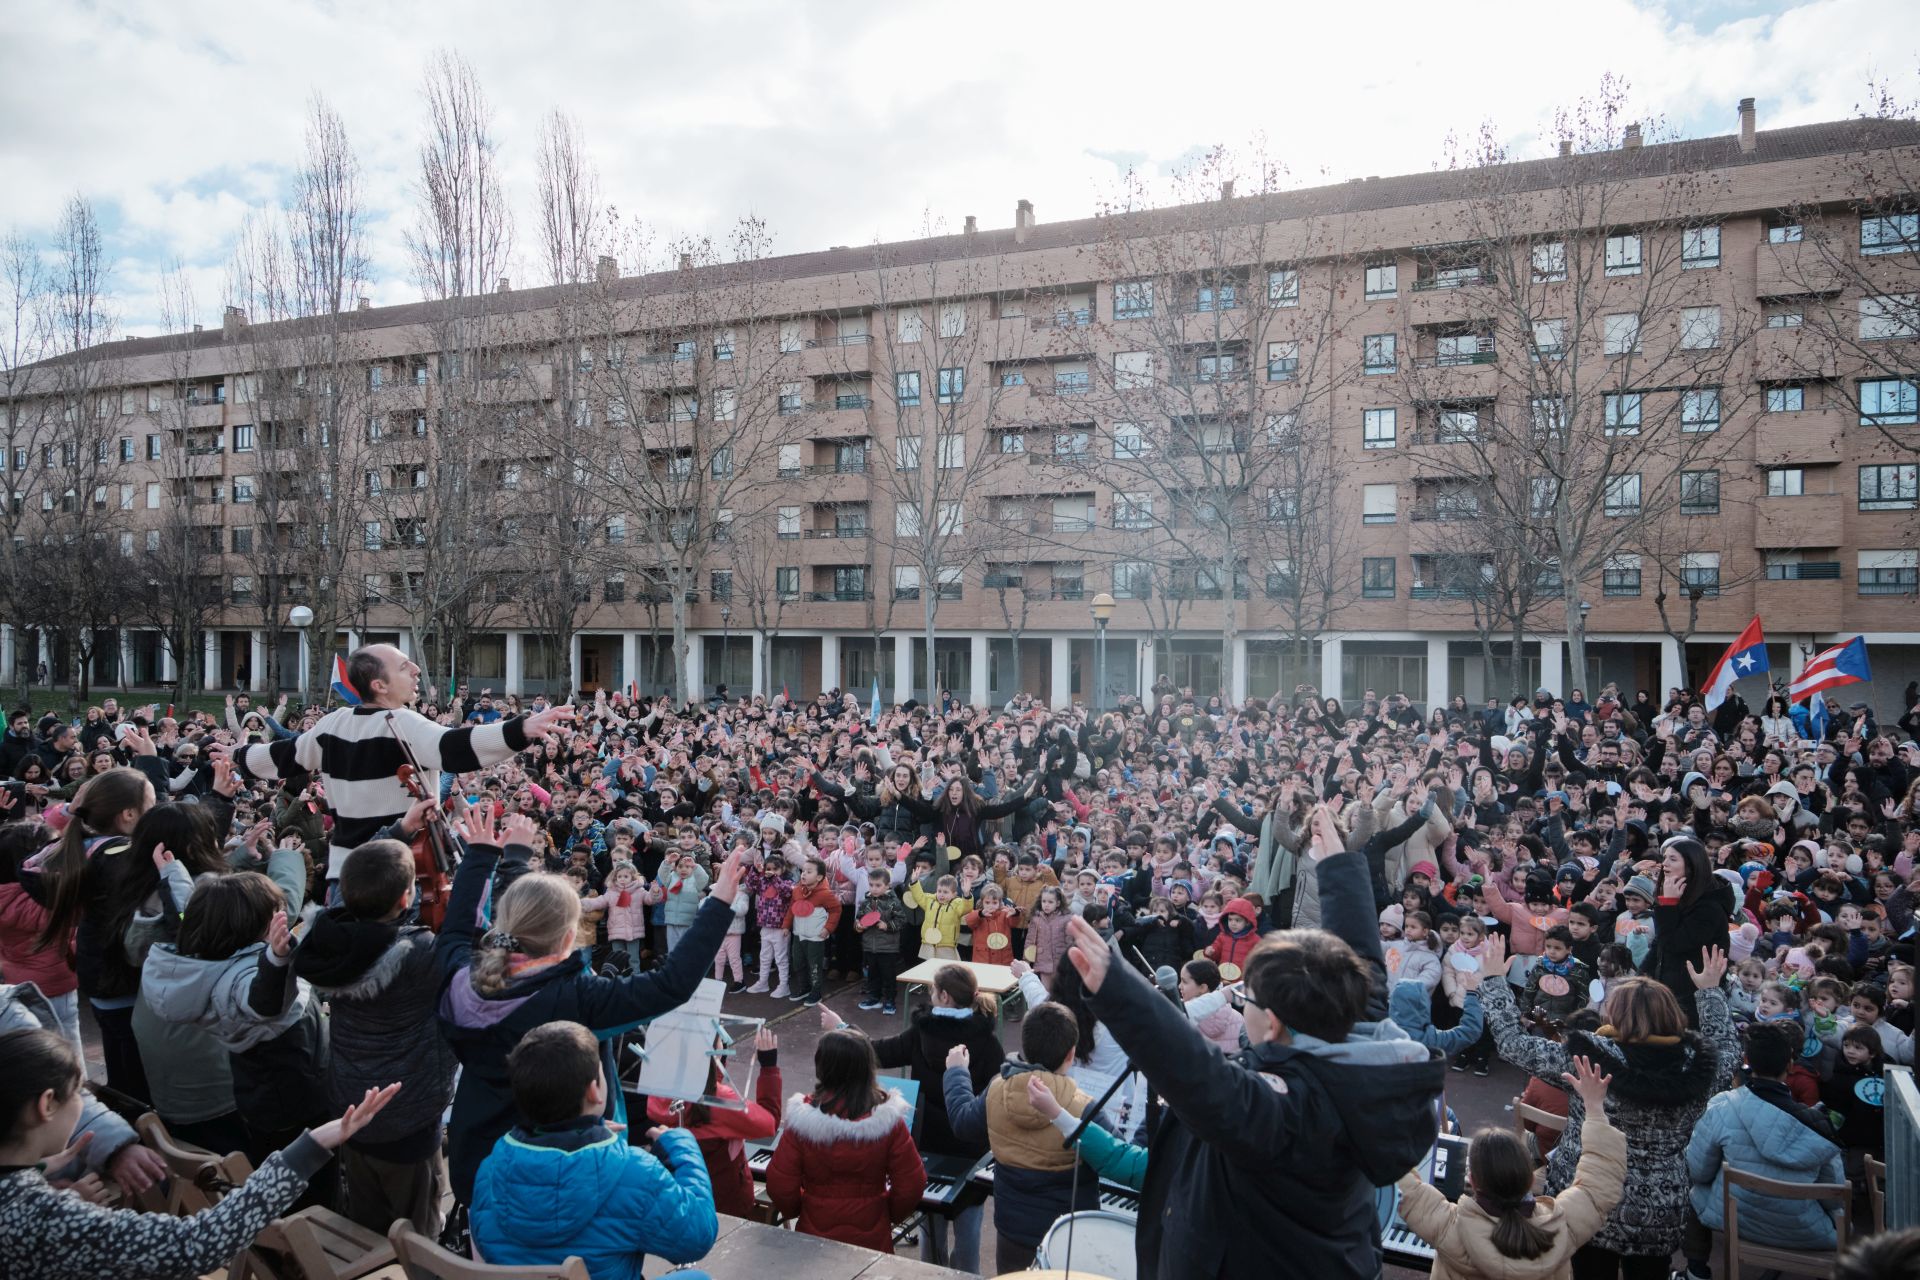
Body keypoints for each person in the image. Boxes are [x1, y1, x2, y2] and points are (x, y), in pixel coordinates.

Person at [1068, 803, 1448, 1280]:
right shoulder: (1355, 1042)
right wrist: (1338, 868)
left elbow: (1205, 1082)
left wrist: (1121, 991)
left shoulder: (1290, 1114)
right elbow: (1363, 971)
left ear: (1271, 1024)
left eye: (1247, 997)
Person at [436, 809, 743, 1210]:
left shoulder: (458, 976)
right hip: (563, 1176)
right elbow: (671, 984)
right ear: (569, 936)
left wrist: (487, 857)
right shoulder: (575, 999)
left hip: (480, 1164)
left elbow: (460, 928)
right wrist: (719, 903)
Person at [0, 1026, 399, 1280]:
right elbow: (196, 1245)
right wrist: (310, 1147)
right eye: (79, 1093)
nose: (82, 1104)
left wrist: (33, 1170)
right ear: (47, 1104)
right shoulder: (48, 1217)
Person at [1481, 932, 1736, 1280]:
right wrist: (1709, 991)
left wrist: (1493, 981)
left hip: (1588, 1196)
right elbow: (1727, 1046)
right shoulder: (1700, 1066)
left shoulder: (1590, 1059)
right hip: (1660, 1208)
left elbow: (1512, 1044)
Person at [223, 642, 574, 883]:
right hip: (400, 872)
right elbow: (454, 748)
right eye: (405, 667)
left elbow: (282, 758)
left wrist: (237, 757)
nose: (417, 669)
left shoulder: (332, 724)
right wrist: (520, 729)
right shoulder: (401, 723)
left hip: (344, 872)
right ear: (379, 685)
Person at [291, 834, 457, 1235]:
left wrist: (397, 830)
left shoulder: (327, 940)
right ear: (405, 899)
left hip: (351, 1107)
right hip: (408, 1116)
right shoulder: (418, 954)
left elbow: (356, 875)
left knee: (365, 1224)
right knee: (417, 1235)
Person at [469, 1021, 717, 1280]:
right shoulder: (634, 1172)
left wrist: (592, 1134)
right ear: (593, 1090)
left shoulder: (490, 1169)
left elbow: (486, 1240)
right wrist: (681, 1144)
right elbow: (697, 1238)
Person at [823, 962, 1003, 1272]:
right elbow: (998, 1092)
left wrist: (842, 1028)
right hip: (969, 1146)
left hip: (927, 1141)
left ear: (944, 997)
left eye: (934, 990)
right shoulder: (987, 1041)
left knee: (930, 1230)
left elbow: (876, 1052)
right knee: (968, 1236)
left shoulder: (922, 1032)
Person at [1393, 1056, 1627, 1280]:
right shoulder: (1562, 1227)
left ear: (1472, 1180)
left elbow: (1400, 1177)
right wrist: (1595, 1108)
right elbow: (1600, 1180)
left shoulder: (1449, 1228)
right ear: (1528, 1179)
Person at [1679, 1021, 1846, 1280]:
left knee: (1693, 1193)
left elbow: (1698, 1171)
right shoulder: (1820, 1126)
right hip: (1806, 1231)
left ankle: (1696, 1272)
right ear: (1790, 1065)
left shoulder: (1723, 1107)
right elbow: (1834, 1197)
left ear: (1747, 1060)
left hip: (1734, 1220)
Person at [942, 1001, 1097, 1272]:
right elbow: (1114, 1154)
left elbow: (962, 1122)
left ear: (1025, 1045)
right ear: (1071, 1054)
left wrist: (956, 1073)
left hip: (1012, 1232)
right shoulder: (1081, 1105)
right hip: (1068, 1237)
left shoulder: (996, 1090)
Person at [764, 1026, 925, 1252]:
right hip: (873, 1238)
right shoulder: (888, 1121)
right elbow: (912, 1183)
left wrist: (801, 1208)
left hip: (814, 1237)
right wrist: (888, 1213)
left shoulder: (803, 1120)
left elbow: (779, 1183)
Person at [646, 1028, 781, 1219]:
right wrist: (768, 1066)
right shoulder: (720, 1101)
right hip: (724, 1202)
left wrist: (717, 1063)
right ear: (711, 1050)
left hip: (678, 1199)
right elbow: (769, 1123)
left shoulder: (658, 1091)